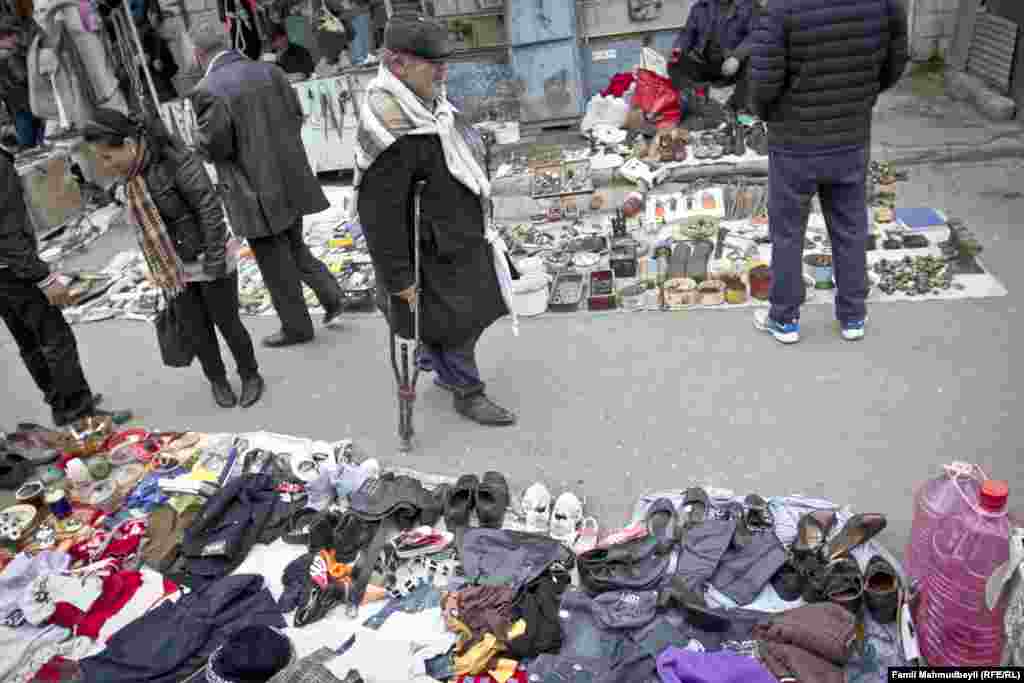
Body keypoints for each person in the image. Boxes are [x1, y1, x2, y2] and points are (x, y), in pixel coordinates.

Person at [354, 14, 516, 426]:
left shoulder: (426, 104)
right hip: (430, 250)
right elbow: (379, 216)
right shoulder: (391, 125)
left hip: (458, 238)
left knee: (464, 316)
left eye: (444, 62)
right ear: (398, 65)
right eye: (434, 63)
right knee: (458, 324)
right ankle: (467, 390)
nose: (444, 72)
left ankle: (440, 363)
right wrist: (399, 280)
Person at [748, 0, 908, 344]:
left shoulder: (780, 7)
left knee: (788, 233)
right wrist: (859, 97)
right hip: (850, 136)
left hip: (794, 142)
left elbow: (763, 80)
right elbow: (894, 63)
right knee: (850, 227)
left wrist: (765, 112)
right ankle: (853, 316)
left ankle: (785, 318)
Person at [83, 108, 264, 408]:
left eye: (107, 156)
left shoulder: (174, 159)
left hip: (207, 255)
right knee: (197, 329)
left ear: (129, 144)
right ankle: (217, 380)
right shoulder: (131, 177)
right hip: (174, 268)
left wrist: (215, 259)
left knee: (228, 324)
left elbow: (207, 206)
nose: (105, 165)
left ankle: (250, 375)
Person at [189, 20, 344, 348]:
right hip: (288, 177)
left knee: (275, 264)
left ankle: (297, 327)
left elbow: (217, 146)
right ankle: (331, 295)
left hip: (253, 189)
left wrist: (197, 141)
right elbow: (296, 116)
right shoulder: (269, 71)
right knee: (294, 246)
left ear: (198, 53)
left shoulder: (208, 89)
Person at [0, 146, 130, 427]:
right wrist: (43, 278)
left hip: (6, 272)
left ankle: (62, 405)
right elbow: (8, 233)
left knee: (30, 342)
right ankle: (81, 415)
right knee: (55, 340)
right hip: (14, 270)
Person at [669, 0, 755, 112]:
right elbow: (688, 33)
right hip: (704, 63)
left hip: (731, 66)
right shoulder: (700, 7)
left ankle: (735, 106)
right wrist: (678, 47)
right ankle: (697, 99)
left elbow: (755, 36)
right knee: (674, 63)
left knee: (756, 62)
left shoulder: (749, 7)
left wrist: (736, 57)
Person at [0, 16, 43, 148]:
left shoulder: (11, 54)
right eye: (14, 36)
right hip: (25, 106)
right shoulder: (9, 56)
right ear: (5, 37)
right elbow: (23, 76)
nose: (17, 39)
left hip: (18, 107)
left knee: (30, 145)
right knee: (32, 144)